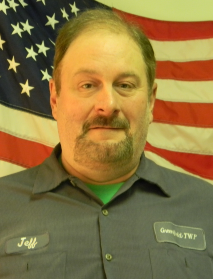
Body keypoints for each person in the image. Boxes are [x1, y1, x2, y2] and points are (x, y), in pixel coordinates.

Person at [0, 8, 213, 279]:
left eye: (124, 85)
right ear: (55, 99)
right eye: (88, 85)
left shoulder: (207, 208)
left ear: (150, 101)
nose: (108, 105)